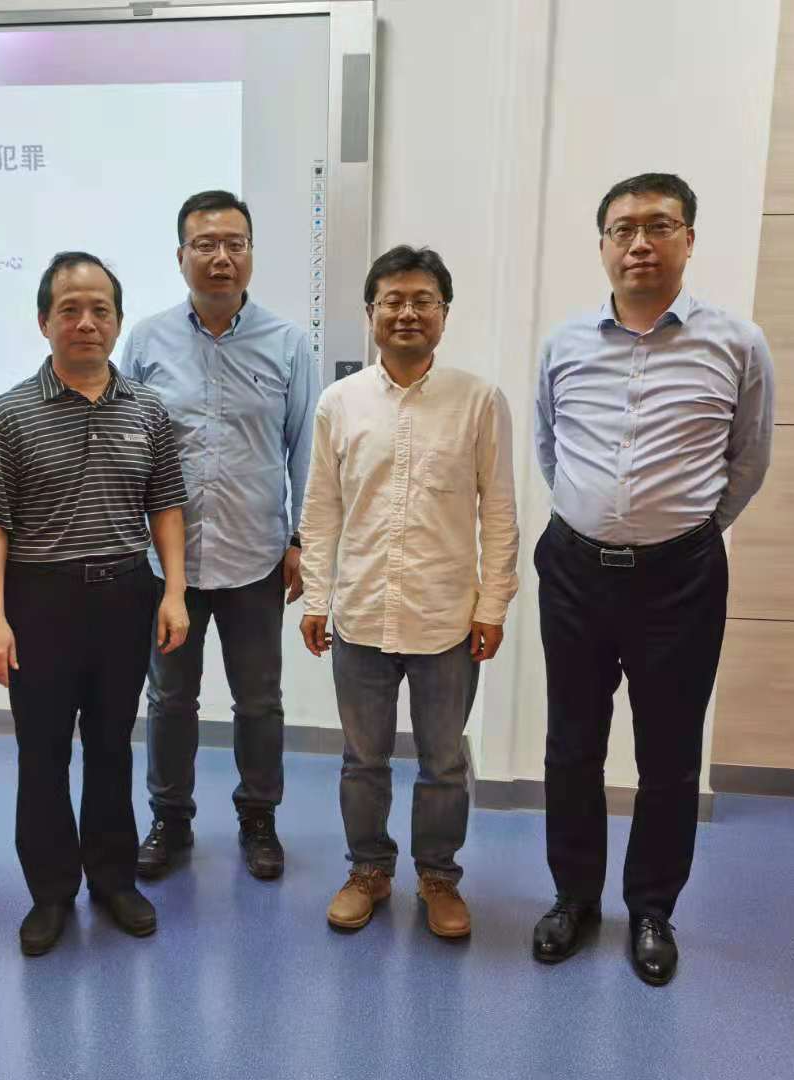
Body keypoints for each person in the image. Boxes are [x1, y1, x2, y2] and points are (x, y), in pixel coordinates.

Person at [531, 172, 774, 986]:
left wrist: (682, 532)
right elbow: (550, 449)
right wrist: (597, 517)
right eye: (622, 229)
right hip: (574, 571)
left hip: (680, 580)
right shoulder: (565, 343)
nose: (640, 243)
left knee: (669, 753)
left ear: (688, 239)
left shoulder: (737, 344)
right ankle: (574, 897)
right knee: (572, 745)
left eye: (659, 226)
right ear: (603, 245)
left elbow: (749, 460)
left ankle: (652, 909)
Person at [0, 251, 190, 957]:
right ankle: (51, 892)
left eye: (100, 310)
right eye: (70, 309)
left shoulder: (147, 410)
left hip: (125, 597)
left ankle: (114, 880)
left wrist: (175, 592)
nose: (86, 322)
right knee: (42, 756)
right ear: (44, 321)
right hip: (40, 603)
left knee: (111, 747)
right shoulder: (9, 415)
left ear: (118, 322)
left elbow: (166, 507)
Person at [298, 245, 519, 939]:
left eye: (423, 300)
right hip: (361, 614)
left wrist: (492, 605)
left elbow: (500, 511)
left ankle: (438, 878)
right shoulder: (339, 403)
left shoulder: (479, 401)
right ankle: (368, 870)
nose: (407, 313)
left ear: (444, 314)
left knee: (443, 762)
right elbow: (321, 510)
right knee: (362, 760)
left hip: (445, 618)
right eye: (392, 300)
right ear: (370, 313)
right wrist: (315, 597)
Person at [120, 190, 319, 882]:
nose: (221, 257)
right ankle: (169, 820)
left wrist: (301, 541)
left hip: (255, 556)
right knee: (170, 699)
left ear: (251, 254)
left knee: (258, 701)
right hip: (165, 565)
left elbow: (304, 451)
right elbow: (125, 446)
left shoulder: (288, 343)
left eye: (235, 243)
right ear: (181, 256)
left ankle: (258, 819)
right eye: (205, 244)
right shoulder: (145, 341)